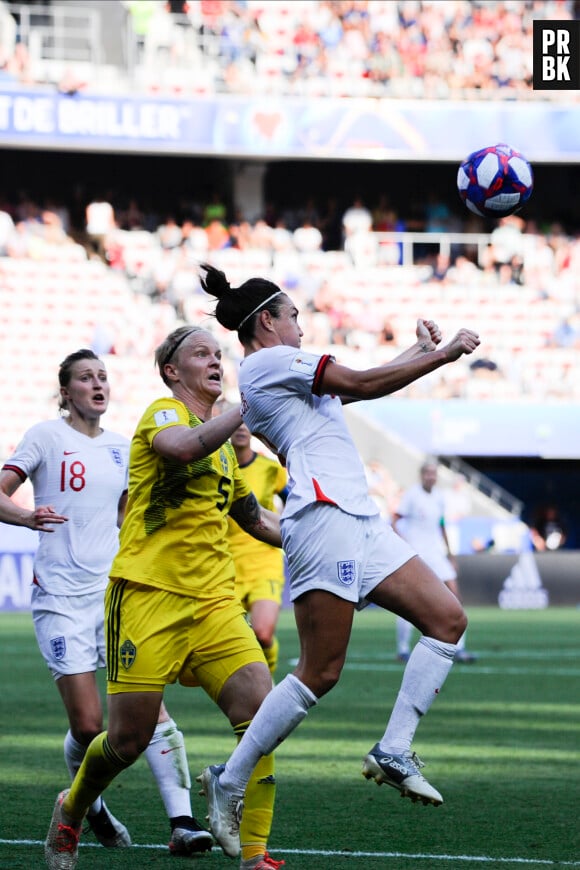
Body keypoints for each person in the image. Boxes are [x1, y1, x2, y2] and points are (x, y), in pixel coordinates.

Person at [195, 263, 480, 855]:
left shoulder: (284, 371)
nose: (302, 325)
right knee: (320, 670)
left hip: (357, 516)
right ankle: (229, 778)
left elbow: (360, 384)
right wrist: (445, 355)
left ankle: (394, 748)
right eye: (294, 315)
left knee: (448, 620)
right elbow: (360, 383)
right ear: (267, 321)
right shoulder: (268, 363)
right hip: (323, 516)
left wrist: (414, 349)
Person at [44, 329, 285, 870]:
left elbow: (253, 518)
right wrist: (246, 408)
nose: (215, 361)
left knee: (263, 717)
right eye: (201, 354)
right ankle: (71, 808)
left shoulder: (223, 447)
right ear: (172, 371)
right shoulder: (164, 414)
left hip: (215, 603)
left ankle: (255, 855)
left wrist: (313, 535)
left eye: (218, 355)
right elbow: (181, 449)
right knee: (128, 741)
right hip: (148, 597)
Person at [0, 349, 211, 857]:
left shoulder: (123, 448)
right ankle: (87, 807)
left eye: (103, 376)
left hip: (115, 596)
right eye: (85, 378)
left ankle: (182, 823)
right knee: (91, 727)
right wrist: (26, 518)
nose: (98, 385)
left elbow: (128, 517)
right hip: (59, 598)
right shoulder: (45, 437)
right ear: (65, 390)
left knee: (152, 711)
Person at [392, 460, 476, 664]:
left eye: (434, 473)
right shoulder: (412, 495)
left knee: (455, 597)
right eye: (428, 473)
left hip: (437, 554)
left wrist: (450, 553)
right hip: (417, 555)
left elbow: (441, 524)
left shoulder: (439, 497)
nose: (431, 476)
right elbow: (394, 520)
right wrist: (404, 545)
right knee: (408, 601)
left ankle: (458, 648)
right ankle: (402, 649)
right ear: (421, 475)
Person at [227, 418, 288, 676]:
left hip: (265, 562)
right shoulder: (218, 467)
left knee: (262, 633)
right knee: (231, 643)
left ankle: (268, 682)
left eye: (244, 422)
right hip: (228, 565)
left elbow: (294, 502)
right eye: (233, 423)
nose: (240, 428)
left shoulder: (269, 469)